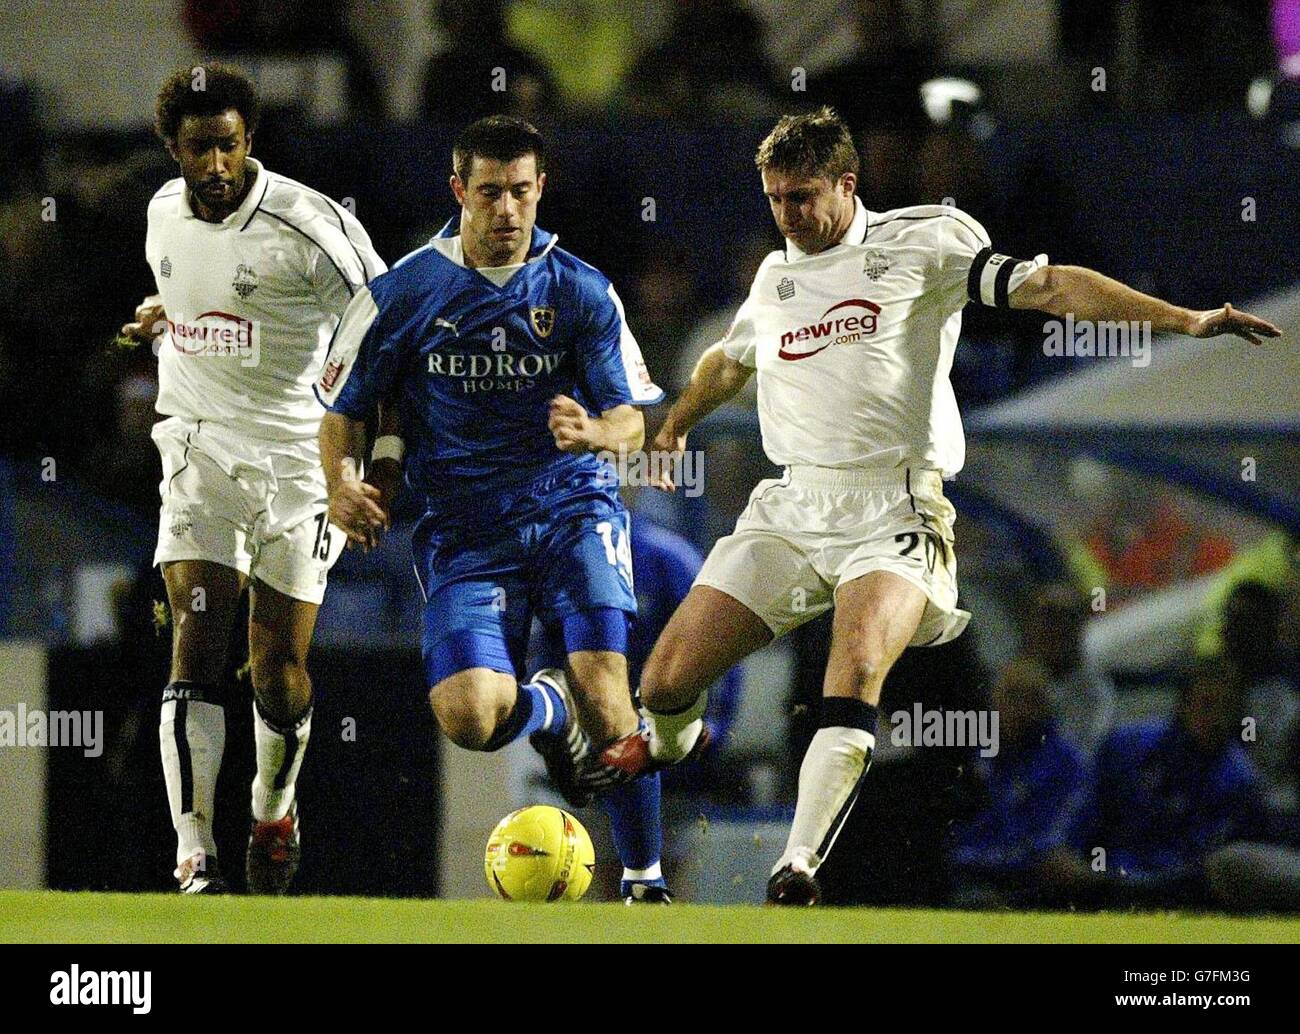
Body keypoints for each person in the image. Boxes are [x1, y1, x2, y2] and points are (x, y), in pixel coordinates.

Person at [586, 106, 1282, 905]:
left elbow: (1051, 286)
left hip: (894, 508)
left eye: (802, 197)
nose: (788, 215)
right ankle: (664, 741)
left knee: (853, 675)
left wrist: (1184, 320)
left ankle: (799, 863)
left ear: (848, 184)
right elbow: (726, 360)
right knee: (669, 679)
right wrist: (675, 422)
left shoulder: (926, 240)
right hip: (790, 508)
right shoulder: (777, 275)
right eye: (774, 198)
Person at [317, 116, 672, 903]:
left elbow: (632, 419)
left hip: (572, 510)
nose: (507, 210)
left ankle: (646, 885)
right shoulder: (403, 292)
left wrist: (594, 432)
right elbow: (344, 409)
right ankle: (548, 706)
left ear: (540, 188)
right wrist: (342, 481)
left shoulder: (580, 289)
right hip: (466, 532)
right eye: (489, 193)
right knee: (470, 717)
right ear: (459, 192)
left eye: (521, 191)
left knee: (608, 684)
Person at [117, 64, 386, 893]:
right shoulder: (162, 213)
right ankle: (193, 849)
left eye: (229, 144)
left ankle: (273, 808)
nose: (217, 163)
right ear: (173, 149)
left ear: (249, 141)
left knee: (277, 669)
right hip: (201, 450)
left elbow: (382, 335)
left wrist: (358, 469)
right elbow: (193, 294)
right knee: (194, 642)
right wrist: (165, 322)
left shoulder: (312, 229)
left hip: (302, 465)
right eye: (200, 147)